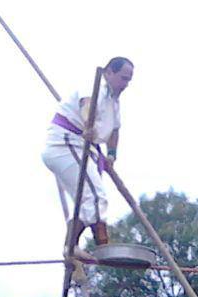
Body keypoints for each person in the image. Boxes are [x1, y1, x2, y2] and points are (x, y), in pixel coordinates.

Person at [41, 56, 134, 256]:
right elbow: (87, 106)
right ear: (109, 72)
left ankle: (72, 247)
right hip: (67, 144)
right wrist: (88, 125)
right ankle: (102, 245)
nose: (126, 85)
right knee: (96, 197)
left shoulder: (114, 101)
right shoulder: (95, 88)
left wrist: (111, 155)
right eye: (123, 78)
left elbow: (114, 130)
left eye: (129, 80)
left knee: (88, 201)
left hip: (81, 148)